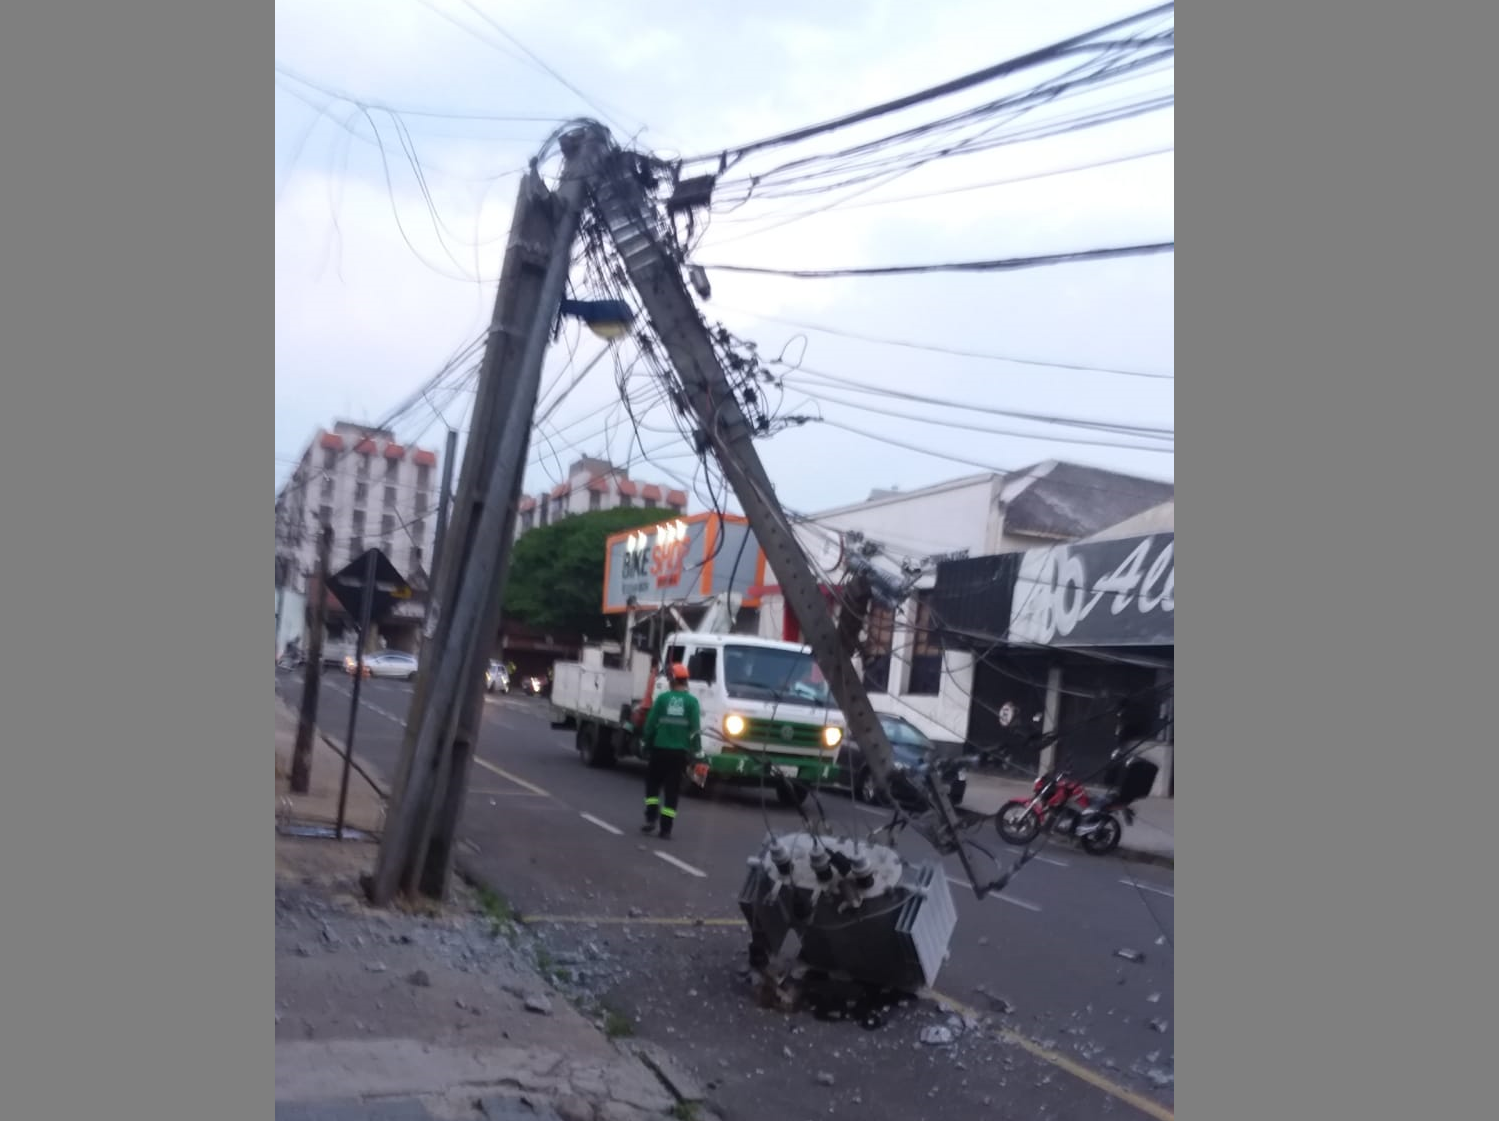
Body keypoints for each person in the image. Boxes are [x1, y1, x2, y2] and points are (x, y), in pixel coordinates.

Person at [639, 663, 702, 840]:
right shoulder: (692, 703)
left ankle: (651, 817)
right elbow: (695, 731)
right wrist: (697, 753)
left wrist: (646, 743)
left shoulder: (662, 699)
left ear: (672, 680)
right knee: (672, 791)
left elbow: (650, 725)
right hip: (679, 755)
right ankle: (666, 829)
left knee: (652, 785)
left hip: (659, 751)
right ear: (686, 681)